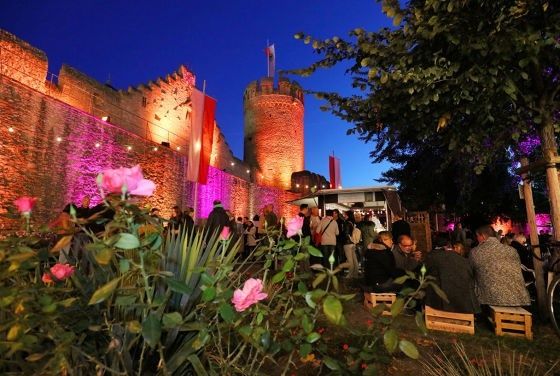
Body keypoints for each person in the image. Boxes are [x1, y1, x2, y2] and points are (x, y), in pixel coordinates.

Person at [469, 225, 530, 307]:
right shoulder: (512, 250)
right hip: (519, 298)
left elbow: (470, 272)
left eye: (477, 236)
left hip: (491, 299)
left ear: (482, 236)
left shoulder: (475, 252)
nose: (477, 239)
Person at [424, 237, 480, 313]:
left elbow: (423, 273)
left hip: (437, 303)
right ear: (456, 247)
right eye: (462, 249)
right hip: (464, 305)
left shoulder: (432, 257)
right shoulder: (465, 262)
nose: (462, 251)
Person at [339, 210, 360, 279]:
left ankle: (350, 274)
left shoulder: (347, 223)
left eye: (344, 214)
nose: (343, 216)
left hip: (347, 243)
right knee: (354, 259)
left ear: (347, 215)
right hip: (353, 243)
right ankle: (355, 274)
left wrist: (342, 237)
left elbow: (346, 233)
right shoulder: (353, 222)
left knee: (350, 260)